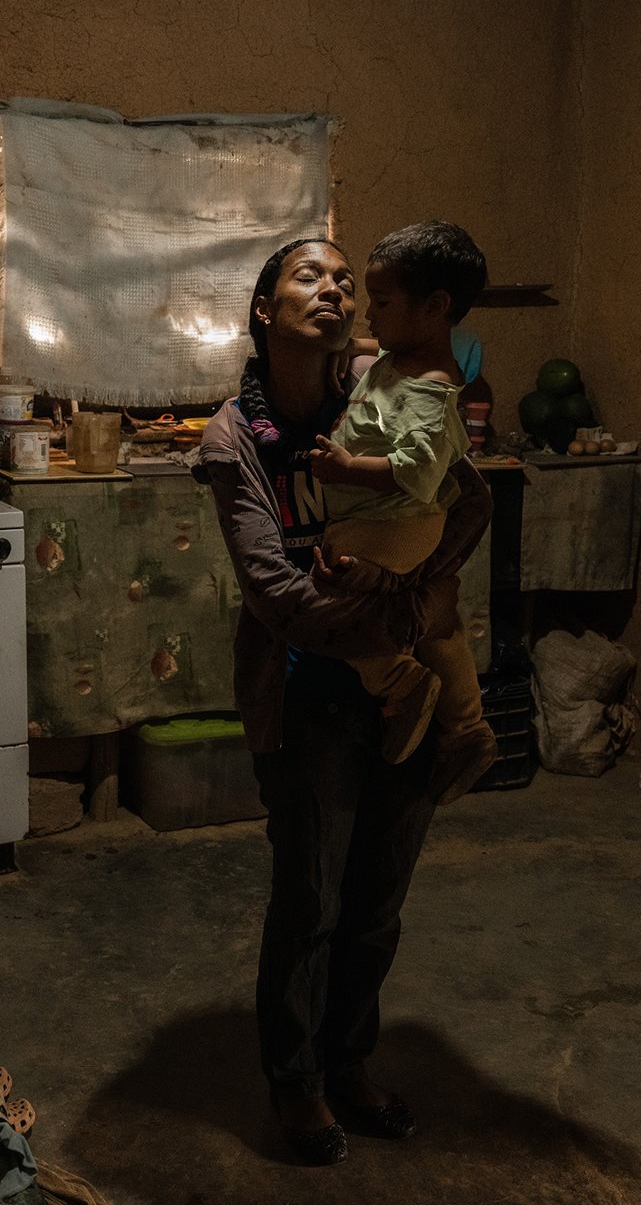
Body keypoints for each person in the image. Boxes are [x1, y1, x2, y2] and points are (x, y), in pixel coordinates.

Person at [197, 238, 492, 1165]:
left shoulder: (387, 386)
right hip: (309, 689)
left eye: (343, 279)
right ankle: (297, 1084)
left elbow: (469, 501)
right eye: (306, 276)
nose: (332, 289)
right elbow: (272, 589)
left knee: (379, 899)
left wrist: (423, 590)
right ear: (262, 309)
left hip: (399, 667)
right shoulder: (234, 437)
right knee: (312, 900)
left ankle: (349, 1060)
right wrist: (384, 627)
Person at [307, 220, 500, 804]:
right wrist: (349, 345)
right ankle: (467, 728)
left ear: (435, 306)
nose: (367, 316)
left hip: (401, 519)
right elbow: (369, 346)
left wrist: (346, 470)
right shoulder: (403, 357)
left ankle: (399, 679)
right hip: (395, 517)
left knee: (335, 592)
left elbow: (416, 471)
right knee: (439, 616)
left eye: (382, 302)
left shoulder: (430, 388)